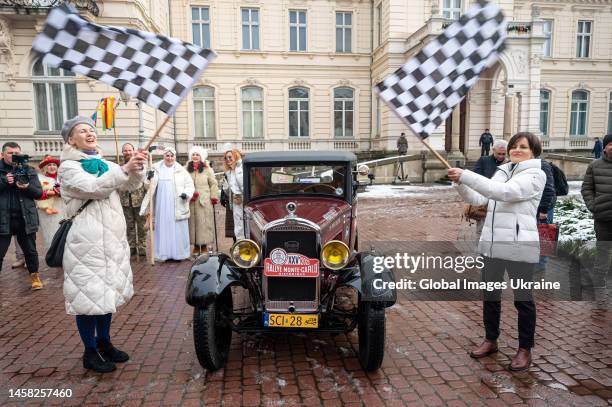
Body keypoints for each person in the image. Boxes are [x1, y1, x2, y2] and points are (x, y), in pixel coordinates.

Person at [448, 132, 546, 371]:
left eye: (523, 147)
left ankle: (525, 349)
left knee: (523, 300)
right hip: (492, 244)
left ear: (534, 151)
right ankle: (491, 340)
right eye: (514, 146)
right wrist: (460, 184)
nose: (517, 150)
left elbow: (503, 193)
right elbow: (480, 198)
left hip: (519, 245)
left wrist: (467, 174)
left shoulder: (535, 175)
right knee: (490, 296)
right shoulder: (503, 171)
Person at [57, 116, 147, 373]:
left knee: (106, 293)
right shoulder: (68, 168)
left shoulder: (106, 163)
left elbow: (129, 185)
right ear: (70, 139)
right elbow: (94, 188)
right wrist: (123, 169)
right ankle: (89, 351)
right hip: (85, 242)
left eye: (91, 130)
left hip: (111, 241)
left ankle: (104, 342)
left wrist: (136, 167)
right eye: (82, 131)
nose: (89, 133)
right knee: (87, 297)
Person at [0, 142, 43, 290]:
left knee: (30, 250)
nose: (14, 156)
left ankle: (35, 276)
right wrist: (4, 181)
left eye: (16, 153)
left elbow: (38, 193)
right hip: (3, 218)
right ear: (2, 154)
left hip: (25, 218)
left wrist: (27, 187)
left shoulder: (29, 170)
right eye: (10, 153)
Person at [141, 147, 194, 261]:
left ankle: (179, 254)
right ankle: (162, 253)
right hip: (161, 203)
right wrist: (148, 177)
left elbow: (189, 185)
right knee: (163, 227)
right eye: (167, 156)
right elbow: (147, 185)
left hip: (177, 203)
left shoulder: (181, 170)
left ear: (175, 157)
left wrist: (186, 193)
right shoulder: (155, 168)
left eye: (172, 156)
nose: (169, 158)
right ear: (164, 156)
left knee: (177, 228)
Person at [581, 133, 612, 293]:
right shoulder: (595, 166)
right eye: (610, 144)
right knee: (603, 252)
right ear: (605, 146)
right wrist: (594, 206)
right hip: (603, 218)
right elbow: (586, 188)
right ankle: (598, 283)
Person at [186, 146, 219, 256]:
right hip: (190, 200)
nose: (195, 156)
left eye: (197, 154)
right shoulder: (185, 169)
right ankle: (195, 246)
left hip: (203, 200)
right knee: (193, 223)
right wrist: (188, 194)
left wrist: (213, 196)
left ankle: (204, 245)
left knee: (203, 223)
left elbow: (213, 183)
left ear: (201, 157)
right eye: (193, 154)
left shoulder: (207, 169)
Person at [118, 143, 147, 256]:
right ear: (122, 153)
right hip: (125, 200)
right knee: (128, 225)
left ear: (133, 151)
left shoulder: (140, 164)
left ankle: (142, 246)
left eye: (129, 150)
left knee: (141, 225)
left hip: (139, 199)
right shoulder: (119, 167)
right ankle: (131, 247)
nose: (127, 152)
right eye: (125, 151)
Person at [36, 155, 66, 250]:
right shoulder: (39, 179)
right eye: (49, 165)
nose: (52, 167)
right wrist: (48, 193)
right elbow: (36, 193)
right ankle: (52, 253)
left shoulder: (63, 178)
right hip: (47, 210)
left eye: (54, 164)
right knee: (50, 231)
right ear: (45, 167)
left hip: (63, 208)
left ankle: (64, 253)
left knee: (64, 230)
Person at [224, 148, 245, 240]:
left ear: (235, 156)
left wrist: (242, 197)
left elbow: (245, 186)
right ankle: (241, 244)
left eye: (230, 157)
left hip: (245, 201)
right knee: (238, 224)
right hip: (236, 201)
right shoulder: (229, 172)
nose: (228, 159)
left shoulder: (241, 168)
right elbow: (231, 190)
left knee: (247, 223)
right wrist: (225, 187)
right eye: (226, 158)